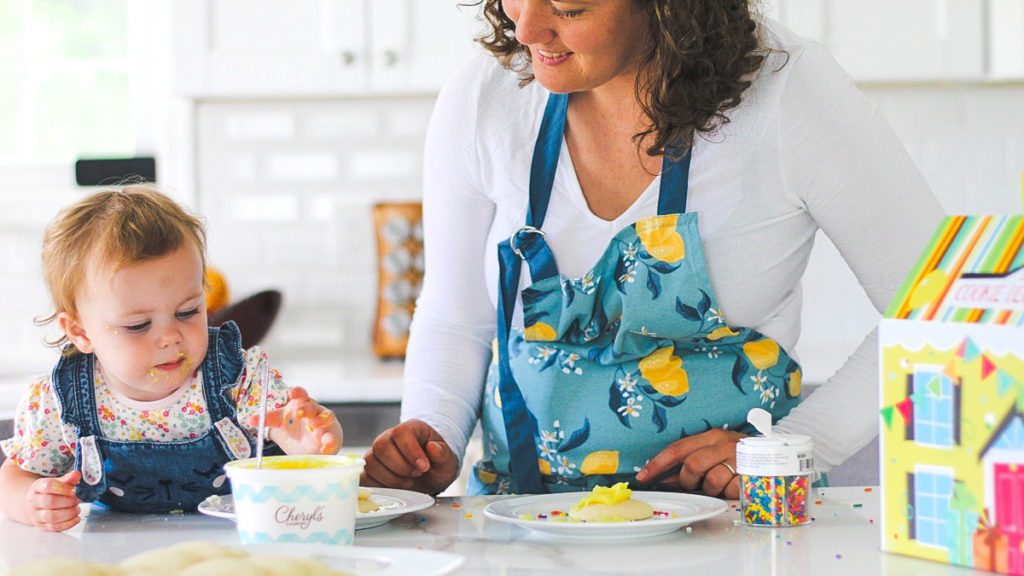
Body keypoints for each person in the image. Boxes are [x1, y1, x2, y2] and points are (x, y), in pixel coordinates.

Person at [360, 0, 945, 497]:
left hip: (735, 529)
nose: (527, 27)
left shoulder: (788, 93)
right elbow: (455, 317)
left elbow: (942, 308)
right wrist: (430, 435)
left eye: (570, 7)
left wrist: (796, 450)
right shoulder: (487, 95)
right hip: (519, 531)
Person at [0, 185, 343, 531]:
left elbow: (293, 434)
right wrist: (31, 502)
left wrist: (308, 444)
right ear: (82, 333)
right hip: (119, 554)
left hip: (237, 546)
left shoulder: (238, 377)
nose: (169, 337)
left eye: (187, 312)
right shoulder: (60, 401)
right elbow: (14, 476)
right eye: (138, 325)